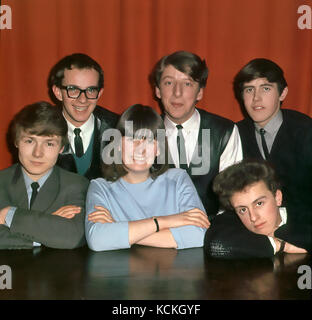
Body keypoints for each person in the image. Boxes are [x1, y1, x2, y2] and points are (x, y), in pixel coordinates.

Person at [85, 104, 210, 251]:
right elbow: (98, 240)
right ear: (117, 145)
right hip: (122, 272)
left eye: (150, 141)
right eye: (132, 139)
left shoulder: (178, 179)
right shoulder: (100, 187)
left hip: (173, 272)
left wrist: (121, 228)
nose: (140, 148)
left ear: (159, 149)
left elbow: (198, 235)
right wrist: (163, 222)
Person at [151, 51, 242, 219]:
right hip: (157, 231)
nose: (177, 93)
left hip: (212, 230)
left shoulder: (224, 131)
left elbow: (233, 198)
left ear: (199, 92)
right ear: (157, 90)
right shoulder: (144, 133)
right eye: (169, 82)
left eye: (187, 84)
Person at [0, 102, 89, 249]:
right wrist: (48, 230)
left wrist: (10, 214)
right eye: (29, 141)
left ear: (61, 147)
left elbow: (73, 236)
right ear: (16, 141)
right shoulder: (1, 182)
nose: (37, 153)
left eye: (49, 144)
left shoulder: (76, 185)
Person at [234, 58, 312, 224]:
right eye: (249, 90)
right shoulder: (235, 133)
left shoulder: (306, 131)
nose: (256, 98)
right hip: (253, 228)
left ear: (282, 93)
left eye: (266, 88)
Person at [204, 160, 311, 258]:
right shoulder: (233, 220)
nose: (253, 217)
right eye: (243, 210)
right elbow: (216, 245)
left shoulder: (303, 215)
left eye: (259, 203)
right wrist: (280, 245)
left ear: (277, 197)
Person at [48, 53, 119, 180]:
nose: (82, 99)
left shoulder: (118, 128)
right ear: (58, 92)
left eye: (91, 90)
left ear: (99, 93)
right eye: (73, 89)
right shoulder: (41, 130)